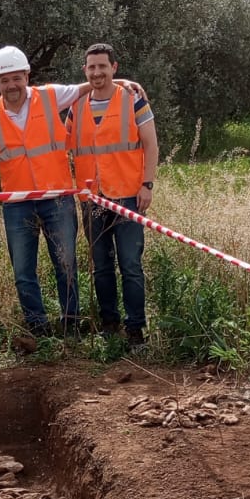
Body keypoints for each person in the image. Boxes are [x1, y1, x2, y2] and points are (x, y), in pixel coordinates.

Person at [0, 46, 84, 339]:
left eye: (16, 78)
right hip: (17, 204)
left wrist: (122, 83)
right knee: (23, 272)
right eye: (4, 80)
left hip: (58, 199)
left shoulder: (51, 96)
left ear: (27, 75)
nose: (11, 85)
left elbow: (88, 86)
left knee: (66, 265)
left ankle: (72, 327)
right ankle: (38, 329)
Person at [70, 42, 160, 349]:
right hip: (92, 200)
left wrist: (147, 185)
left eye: (102, 67)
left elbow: (151, 145)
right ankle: (110, 325)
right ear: (85, 71)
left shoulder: (133, 101)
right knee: (101, 264)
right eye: (91, 67)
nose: (97, 72)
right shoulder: (77, 107)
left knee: (130, 265)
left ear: (114, 68)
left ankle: (136, 330)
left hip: (128, 197)